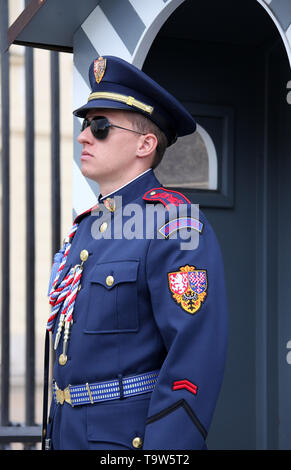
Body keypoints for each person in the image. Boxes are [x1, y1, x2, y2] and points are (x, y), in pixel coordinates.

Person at [44, 55, 228, 450]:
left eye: (101, 126)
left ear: (146, 144)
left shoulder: (175, 226)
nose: (84, 137)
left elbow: (194, 359)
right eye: (85, 125)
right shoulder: (88, 229)